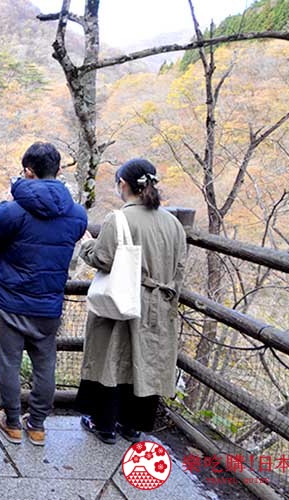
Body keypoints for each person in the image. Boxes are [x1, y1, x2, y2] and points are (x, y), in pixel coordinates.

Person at [0, 142, 87, 446]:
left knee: (9, 364)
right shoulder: (76, 214)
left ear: (28, 171)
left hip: (11, 299)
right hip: (49, 302)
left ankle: (12, 422)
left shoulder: (15, 210)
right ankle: (37, 425)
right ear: (59, 170)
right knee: (45, 365)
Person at [76, 158, 187, 444]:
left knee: (112, 359)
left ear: (123, 185)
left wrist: (87, 244)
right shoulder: (173, 223)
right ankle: (133, 425)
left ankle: (105, 425)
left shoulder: (119, 218)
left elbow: (103, 258)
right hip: (160, 303)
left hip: (123, 299)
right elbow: (179, 267)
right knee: (146, 360)